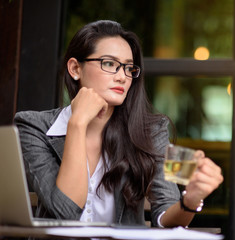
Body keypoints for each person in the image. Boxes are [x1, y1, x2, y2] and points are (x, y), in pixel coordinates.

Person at [14, 20, 223, 227]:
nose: (122, 77)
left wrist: (190, 200)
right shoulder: (34, 127)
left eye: (128, 68)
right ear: (75, 68)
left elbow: (165, 217)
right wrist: (77, 123)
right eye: (110, 64)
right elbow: (65, 212)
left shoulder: (152, 131)